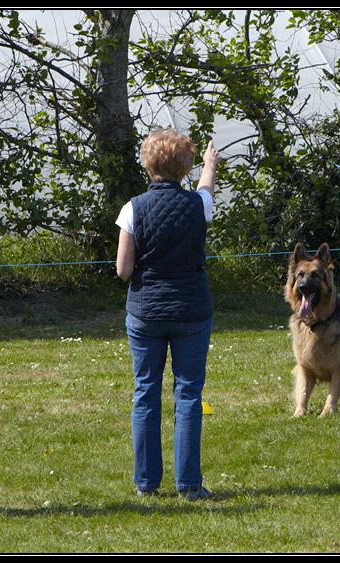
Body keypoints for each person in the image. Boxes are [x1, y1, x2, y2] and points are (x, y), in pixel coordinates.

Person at [116, 128, 221, 501]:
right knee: (188, 395)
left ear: (148, 164)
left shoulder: (133, 208)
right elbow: (206, 188)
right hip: (192, 310)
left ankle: (146, 485)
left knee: (145, 393)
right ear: (185, 166)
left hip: (145, 312)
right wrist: (211, 163)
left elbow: (123, 270)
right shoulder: (197, 205)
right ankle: (189, 485)